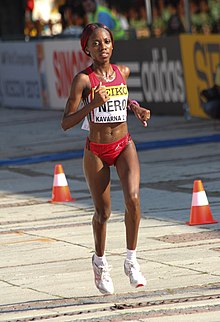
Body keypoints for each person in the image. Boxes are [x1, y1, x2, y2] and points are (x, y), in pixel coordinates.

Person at [61, 23, 150, 295]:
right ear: (86, 48)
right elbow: (66, 122)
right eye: (96, 43)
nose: (103, 47)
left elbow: (121, 99)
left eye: (107, 41)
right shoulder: (83, 80)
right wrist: (91, 105)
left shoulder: (123, 72)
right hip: (97, 150)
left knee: (133, 199)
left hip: (124, 144)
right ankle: (99, 262)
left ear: (113, 44)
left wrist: (134, 107)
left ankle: (131, 261)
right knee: (104, 213)